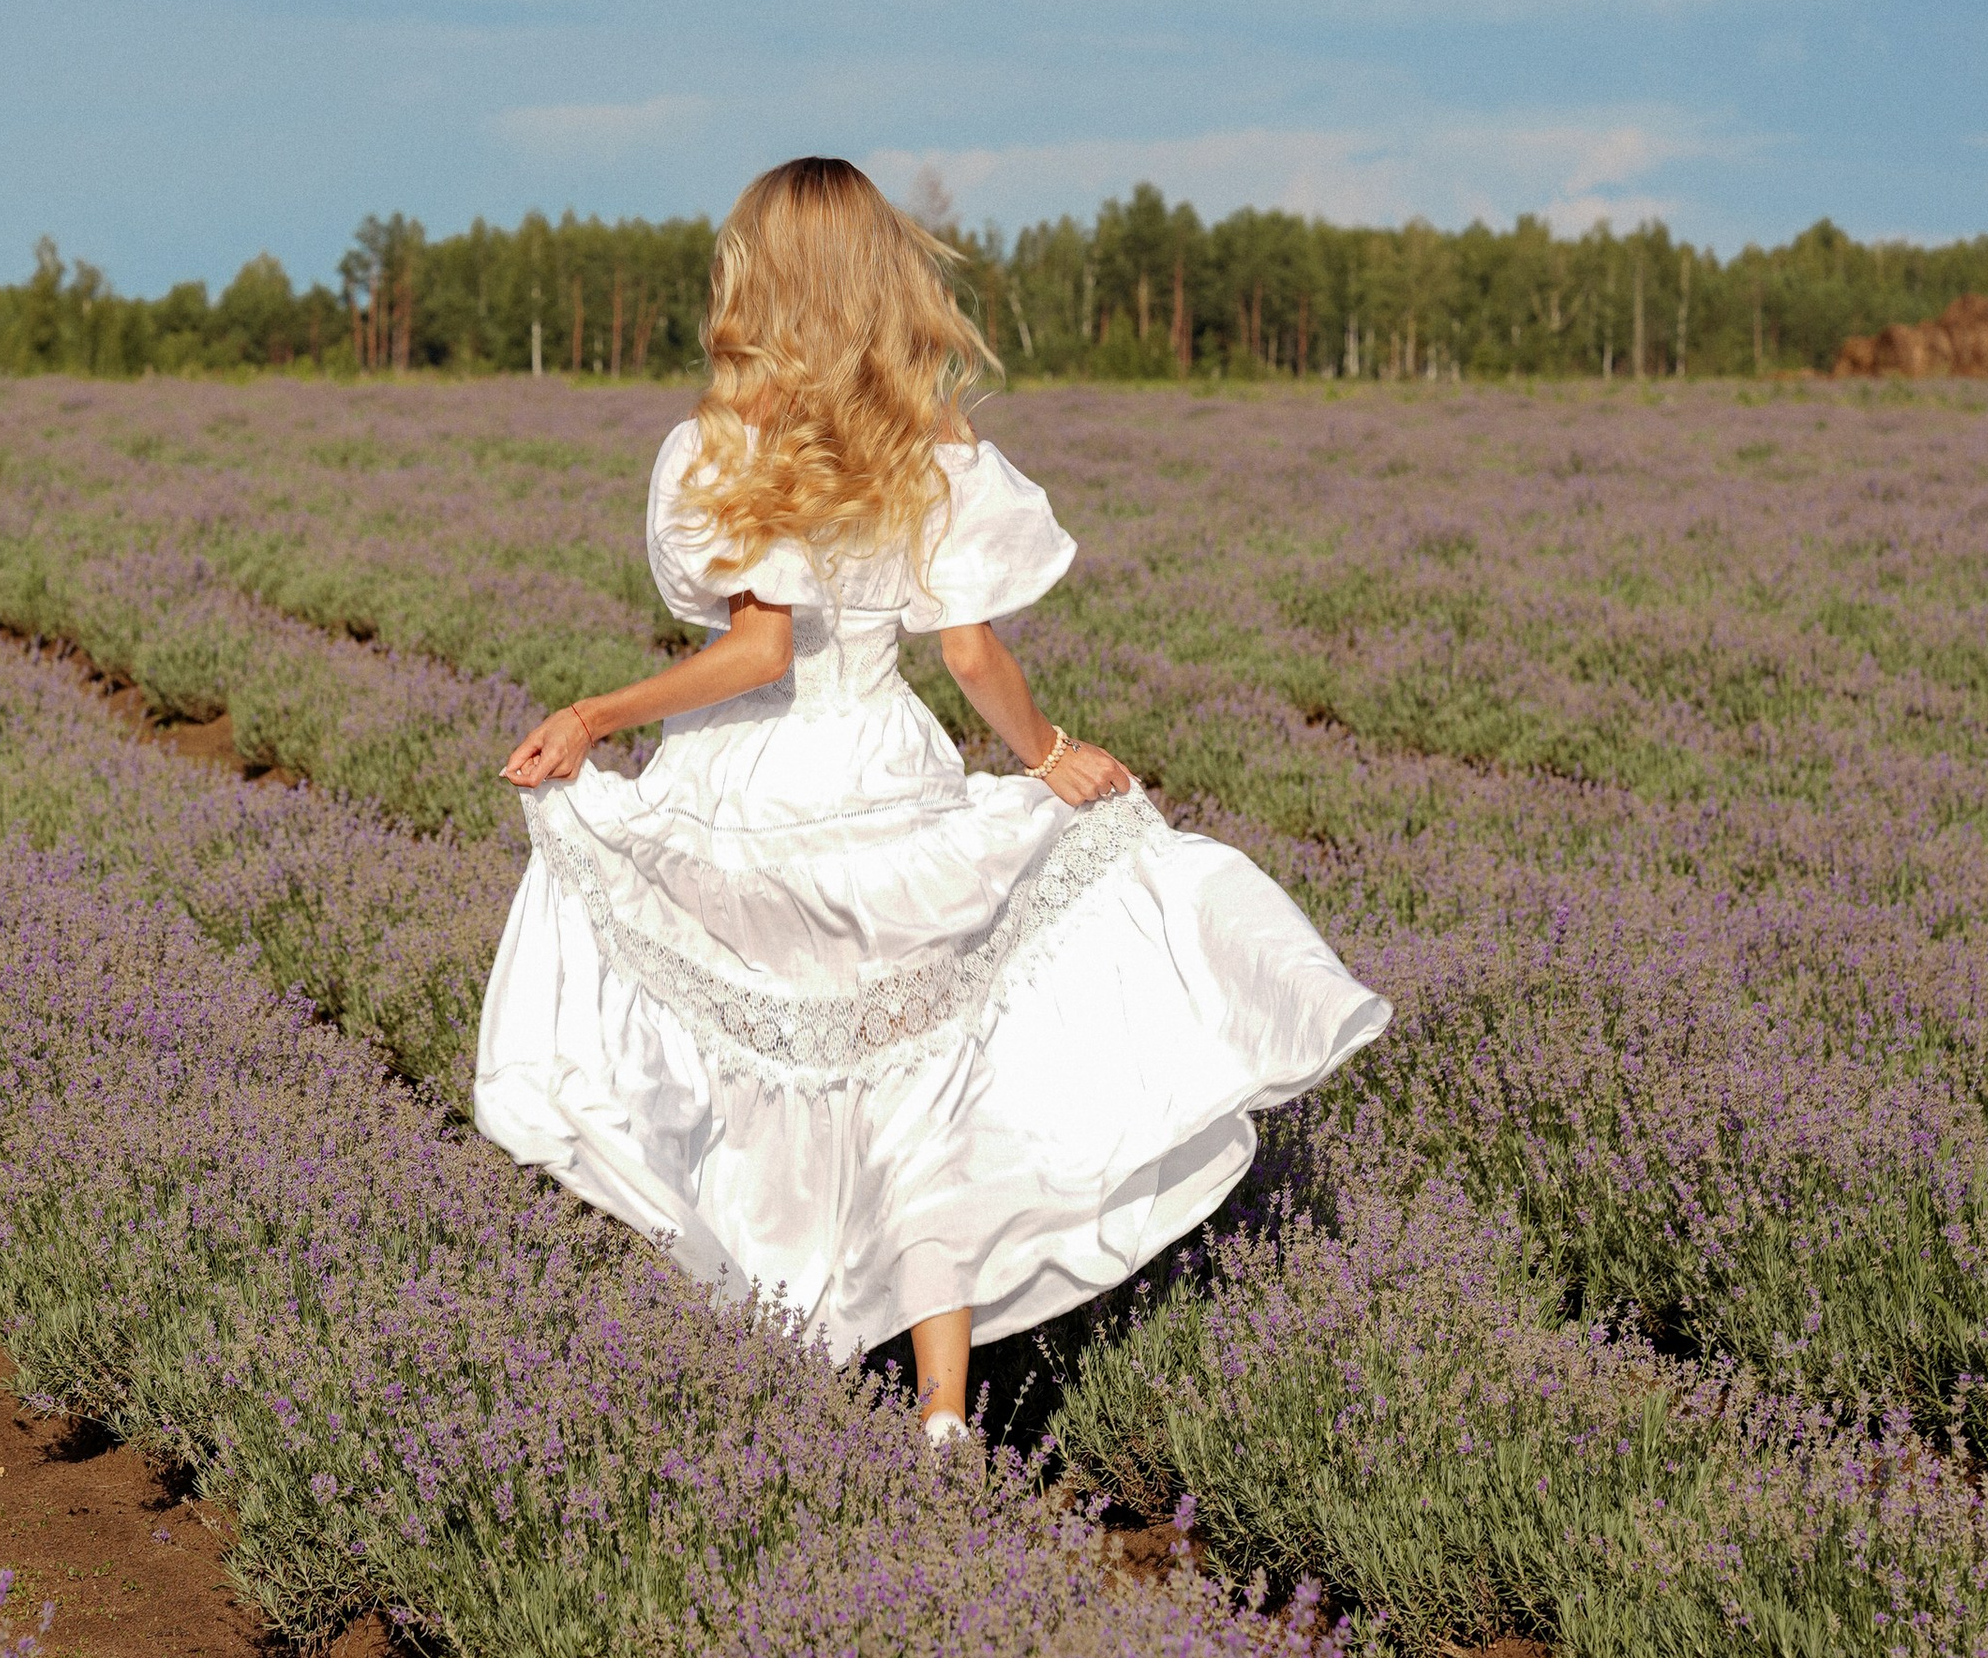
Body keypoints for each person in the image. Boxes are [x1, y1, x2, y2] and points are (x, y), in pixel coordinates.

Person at [472, 157, 1386, 1438]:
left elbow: (756, 654)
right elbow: (965, 653)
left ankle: (781, 1335)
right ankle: (942, 1417)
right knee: (920, 1078)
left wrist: (589, 717)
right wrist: (1048, 751)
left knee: (752, 1070)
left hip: (752, 788)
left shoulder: (721, 443)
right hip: (885, 771)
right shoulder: (926, 441)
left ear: (756, 278)